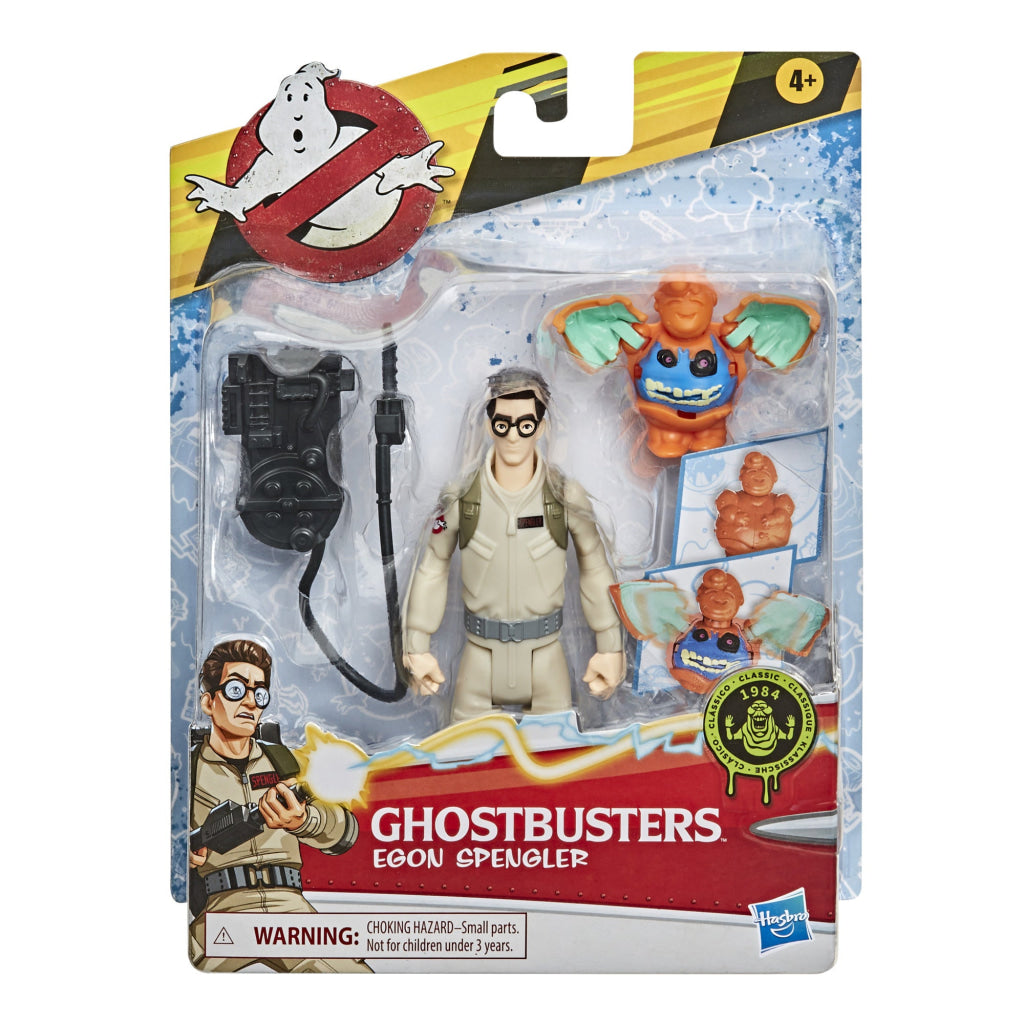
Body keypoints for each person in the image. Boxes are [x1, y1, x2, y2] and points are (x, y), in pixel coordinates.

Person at [403, 368, 625, 722]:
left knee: (555, 749)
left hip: (545, 657)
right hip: (480, 657)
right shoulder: (462, 497)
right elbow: (431, 565)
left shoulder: (563, 496)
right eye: (503, 423)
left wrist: (611, 647)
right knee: (466, 749)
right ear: (489, 425)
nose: (513, 436)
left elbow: (595, 567)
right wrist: (416, 646)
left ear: (542, 426)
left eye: (525, 424)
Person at [189, 638, 369, 973]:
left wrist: (303, 820)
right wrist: (181, 855)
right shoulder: (186, 772)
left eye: (259, 693)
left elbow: (345, 832)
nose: (249, 702)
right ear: (209, 702)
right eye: (235, 690)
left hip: (290, 909)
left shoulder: (284, 762)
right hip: (222, 911)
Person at [715, 451, 795, 555]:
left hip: (772, 551)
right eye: (752, 472)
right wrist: (734, 516)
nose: (758, 479)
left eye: (765, 474)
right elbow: (725, 511)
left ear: (774, 478)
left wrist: (775, 519)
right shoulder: (732, 497)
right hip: (735, 548)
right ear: (742, 477)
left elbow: (783, 515)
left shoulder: (780, 500)